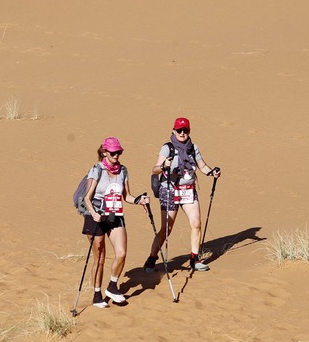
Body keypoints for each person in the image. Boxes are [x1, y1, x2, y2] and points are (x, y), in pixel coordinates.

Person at [144, 117, 221, 273]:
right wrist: (164, 165)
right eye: (179, 130)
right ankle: (152, 258)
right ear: (173, 131)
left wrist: (212, 172)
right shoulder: (167, 148)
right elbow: (154, 169)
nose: (182, 133)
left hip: (188, 191)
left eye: (185, 130)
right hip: (169, 190)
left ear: (189, 131)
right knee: (166, 229)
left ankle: (194, 259)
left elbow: (202, 166)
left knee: (196, 223)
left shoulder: (193, 148)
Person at [82, 137, 149, 308]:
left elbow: (127, 196)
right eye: (113, 152)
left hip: (115, 215)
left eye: (119, 152)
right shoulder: (97, 170)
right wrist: (93, 213)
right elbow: (87, 198)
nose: (116, 155)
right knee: (100, 258)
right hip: (96, 216)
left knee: (121, 253)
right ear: (105, 152)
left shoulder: (123, 171)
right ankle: (97, 294)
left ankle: (112, 286)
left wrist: (139, 200)